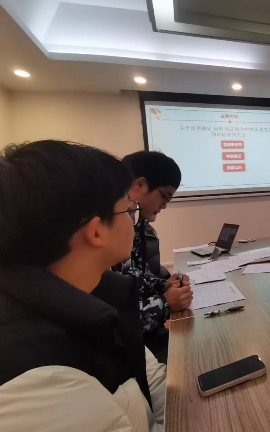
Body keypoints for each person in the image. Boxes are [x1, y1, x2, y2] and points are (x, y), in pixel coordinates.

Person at [0, 140, 165, 431]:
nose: (133, 221)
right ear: (96, 231)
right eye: (128, 210)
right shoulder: (39, 385)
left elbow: (153, 381)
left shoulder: (97, 294)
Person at [114, 151, 192, 364]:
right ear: (139, 185)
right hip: (132, 352)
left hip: (146, 339)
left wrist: (163, 285)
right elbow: (118, 322)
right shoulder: (115, 229)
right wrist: (165, 303)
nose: (165, 205)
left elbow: (136, 278)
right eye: (165, 196)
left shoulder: (139, 226)